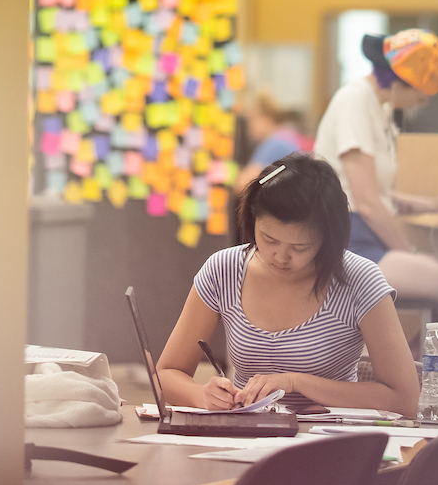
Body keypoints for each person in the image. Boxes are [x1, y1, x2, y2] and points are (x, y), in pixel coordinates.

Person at [156, 153, 419, 416]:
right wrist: (202, 395)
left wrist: (295, 382)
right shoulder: (224, 270)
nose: (281, 257)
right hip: (244, 435)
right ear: (252, 220)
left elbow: (404, 399)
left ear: (328, 238)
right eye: (269, 239)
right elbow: (167, 373)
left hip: (328, 439)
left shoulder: (359, 280)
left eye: (299, 247)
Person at [313, 29, 438, 359]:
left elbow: (379, 193)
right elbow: (368, 203)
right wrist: (409, 253)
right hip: (346, 241)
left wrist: (434, 204)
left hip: (361, 236)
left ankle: (397, 381)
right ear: (402, 79)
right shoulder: (355, 100)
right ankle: (403, 386)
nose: (425, 102)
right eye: (424, 94)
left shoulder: (379, 107)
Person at [233, 92, 314, 194]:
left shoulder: (275, 143)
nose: (249, 126)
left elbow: (243, 184)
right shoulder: (286, 135)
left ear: (268, 118)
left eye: (252, 119)